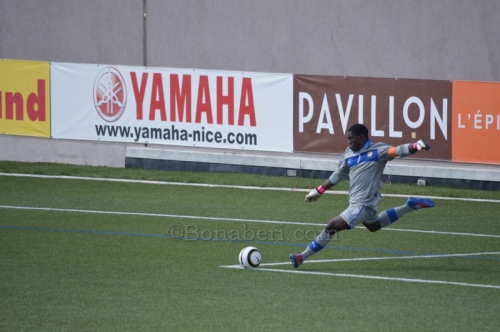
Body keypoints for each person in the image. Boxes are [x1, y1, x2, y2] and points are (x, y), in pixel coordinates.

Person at [290, 123, 435, 268]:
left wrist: (416, 146)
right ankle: (409, 206)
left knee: (332, 226)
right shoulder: (348, 153)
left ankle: (301, 257)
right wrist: (319, 190)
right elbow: (339, 173)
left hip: (362, 205)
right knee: (375, 226)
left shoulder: (377, 151)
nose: (348, 142)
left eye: (351, 138)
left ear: (361, 137)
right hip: (365, 204)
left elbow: (397, 150)